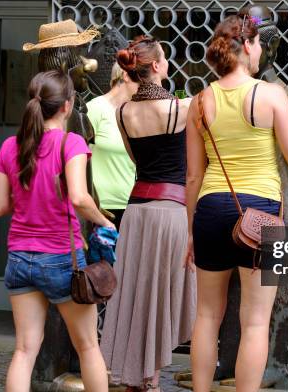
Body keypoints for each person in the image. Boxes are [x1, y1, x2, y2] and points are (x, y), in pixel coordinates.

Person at [185, 14, 288, 392]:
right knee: (256, 322)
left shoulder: (200, 100)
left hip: (210, 209)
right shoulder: (271, 95)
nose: (260, 52)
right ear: (247, 46)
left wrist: (190, 231)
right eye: (257, 45)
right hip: (260, 213)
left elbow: (193, 176)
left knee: (207, 315)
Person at [0, 70, 114, 392]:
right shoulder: (71, 143)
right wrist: (103, 220)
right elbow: (78, 197)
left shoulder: (9, 147)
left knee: (24, 350)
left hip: (19, 258)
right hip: (61, 258)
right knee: (88, 346)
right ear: (68, 106)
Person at [100, 36, 196, 392]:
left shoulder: (123, 112)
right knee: (164, 296)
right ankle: (150, 379)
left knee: (138, 293)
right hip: (171, 212)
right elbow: (192, 167)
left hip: (136, 211)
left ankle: (138, 378)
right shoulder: (181, 108)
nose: (168, 63)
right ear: (156, 66)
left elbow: (135, 159)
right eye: (166, 58)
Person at [87, 63, 139, 228]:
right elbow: (77, 159)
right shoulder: (95, 109)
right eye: (142, 78)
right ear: (125, 75)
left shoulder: (136, 113)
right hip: (100, 208)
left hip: (132, 206)